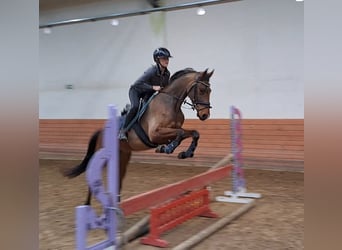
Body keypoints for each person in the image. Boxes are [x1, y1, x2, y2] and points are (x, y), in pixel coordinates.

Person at [118, 47, 173, 140]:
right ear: (157, 60)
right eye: (164, 58)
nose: (166, 60)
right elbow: (137, 84)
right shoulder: (152, 71)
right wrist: (153, 87)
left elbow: (165, 89)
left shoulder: (167, 74)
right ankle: (122, 131)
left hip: (148, 93)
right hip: (136, 91)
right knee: (135, 107)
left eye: (167, 58)